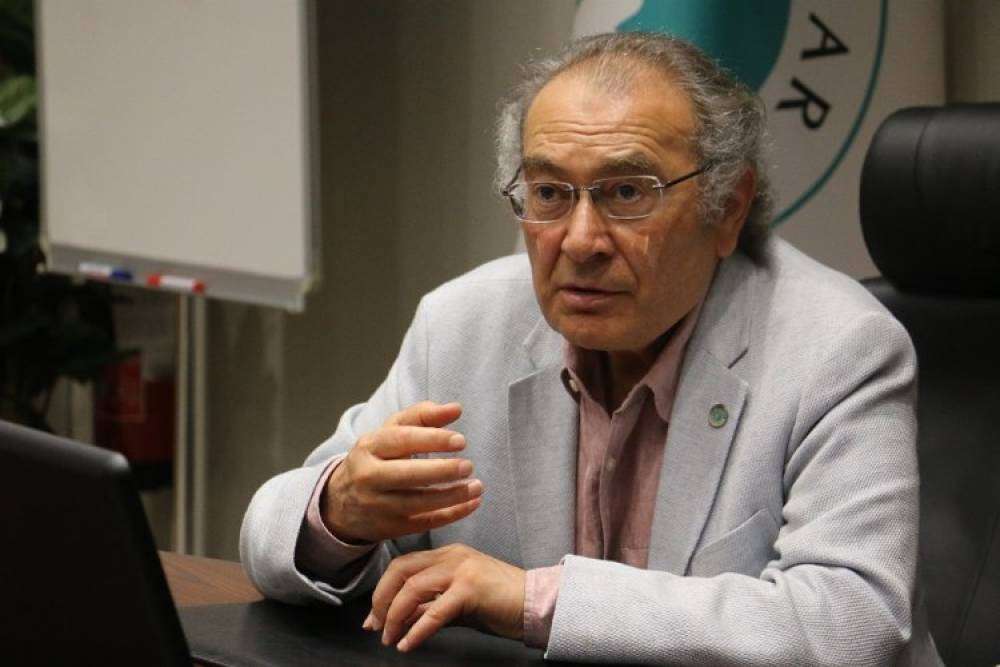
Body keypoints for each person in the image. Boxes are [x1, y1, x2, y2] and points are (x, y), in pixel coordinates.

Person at [240, 32, 941, 665]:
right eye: (549, 192)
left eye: (627, 192)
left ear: (727, 207)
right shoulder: (463, 324)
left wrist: (534, 599)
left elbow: (851, 623)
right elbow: (268, 536)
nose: (579, 241)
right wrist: (340, 512)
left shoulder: (838, 348)